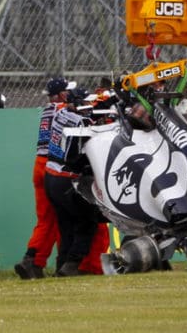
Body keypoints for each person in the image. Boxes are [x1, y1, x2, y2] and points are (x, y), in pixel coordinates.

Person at [43, 87, 108, 276]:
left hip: (50, 177)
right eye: (86, 102)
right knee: (88, 222)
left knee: (66, 227)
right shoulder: (80, 121)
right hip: (66, 180)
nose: (89, 105)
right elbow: (92, 123)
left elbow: (90, 115)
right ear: (77, 102)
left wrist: (105, 104)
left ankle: (61, 266)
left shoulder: (61, 112)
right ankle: (72, 264)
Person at [14, 77, 72, 279]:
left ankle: (34, 261)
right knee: (60, 218)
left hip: (39, 164)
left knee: (47, 219)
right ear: (62, 94)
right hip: (52, 165)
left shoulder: (48, 110)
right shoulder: (63, 109)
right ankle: (42, 260)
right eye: (67, 91)